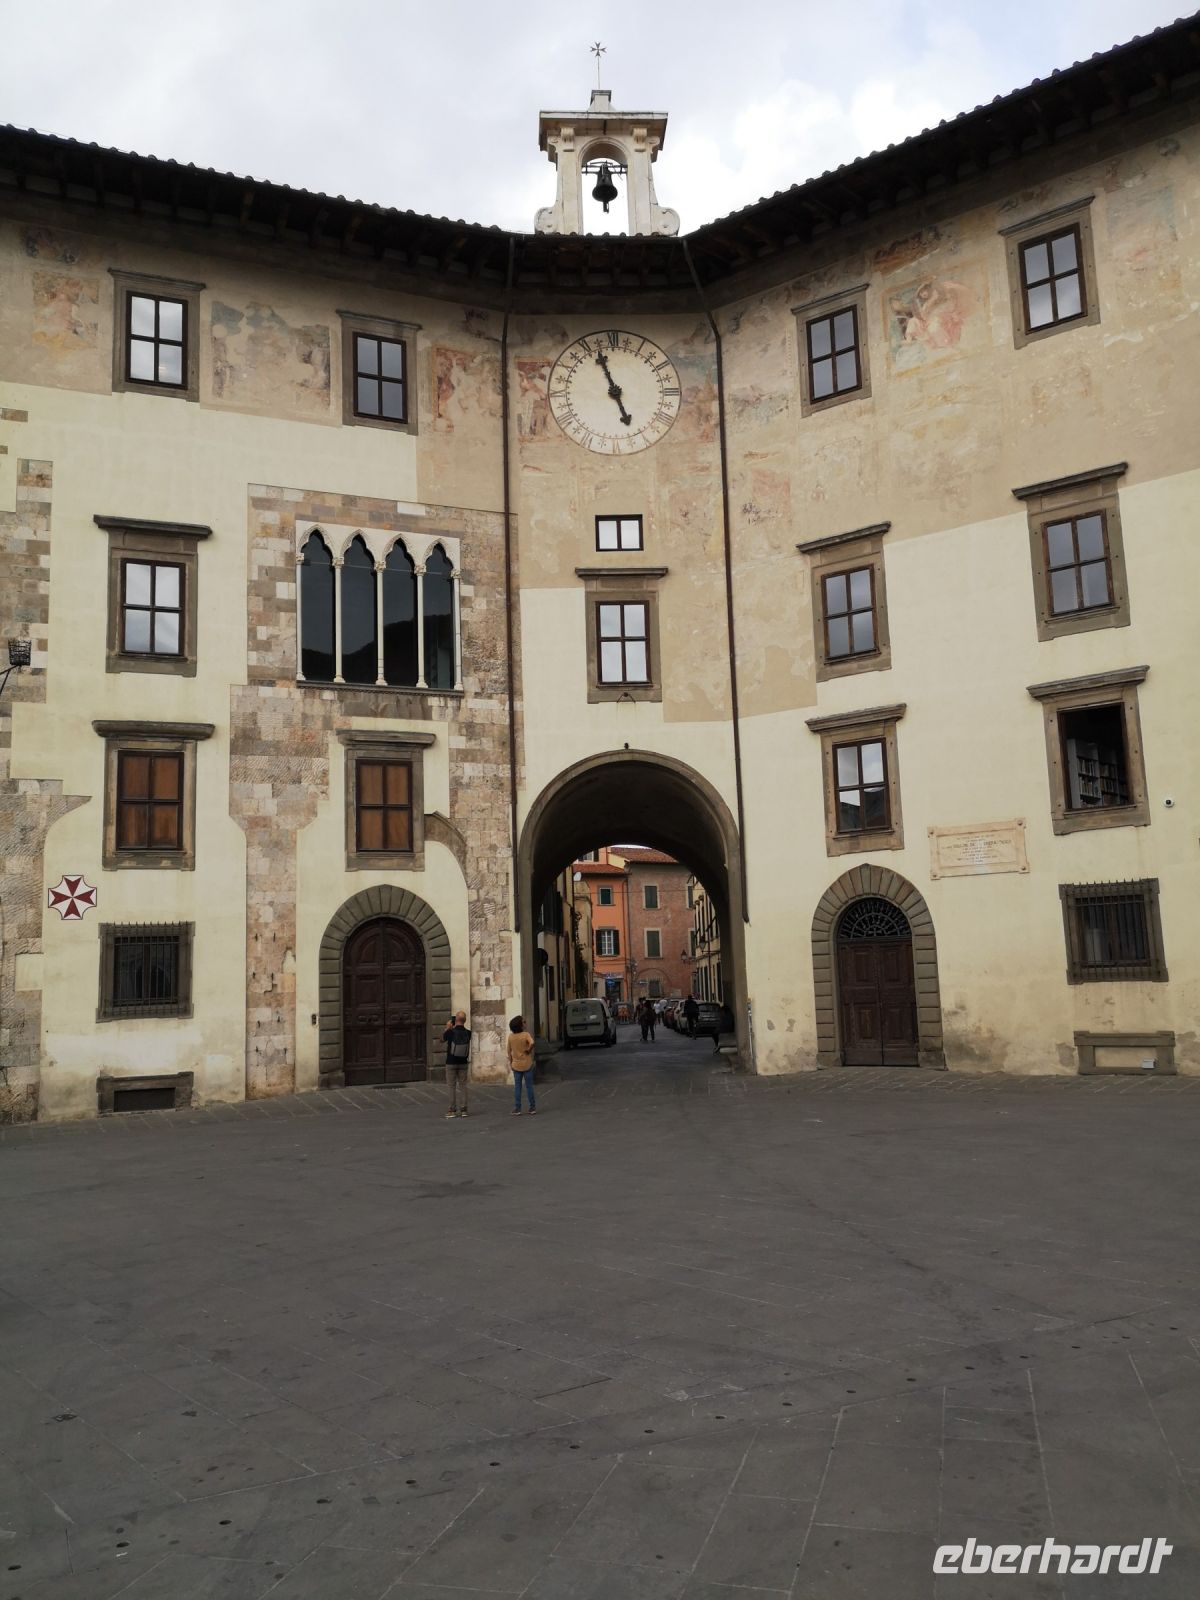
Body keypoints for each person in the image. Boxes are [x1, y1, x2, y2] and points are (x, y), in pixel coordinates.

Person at [442, 1010, 471, 1118]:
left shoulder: (450, 1032)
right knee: (463, 1085)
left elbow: (441, 1039)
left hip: (451, 1062)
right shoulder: (468, 1033)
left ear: (456, 1020)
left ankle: (452, 1110)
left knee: (451, 1086)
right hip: (463, 1062)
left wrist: (447, 1028)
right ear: (465, 1020)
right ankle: (464, 1110)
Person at [506, 1014, 536, 1115]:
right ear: (520, 1025)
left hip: (516, 1065)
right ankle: (532, 1107)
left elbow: (509, 1051)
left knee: (517, 1087)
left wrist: (511, 1063)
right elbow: (532, 1043)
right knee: (529, 1086)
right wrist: (529, 1050)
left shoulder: (511, 1037)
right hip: (527, 1064)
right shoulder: (526, 1035)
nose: (525, 1023)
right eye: (524, 1022)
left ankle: (518, 1108)